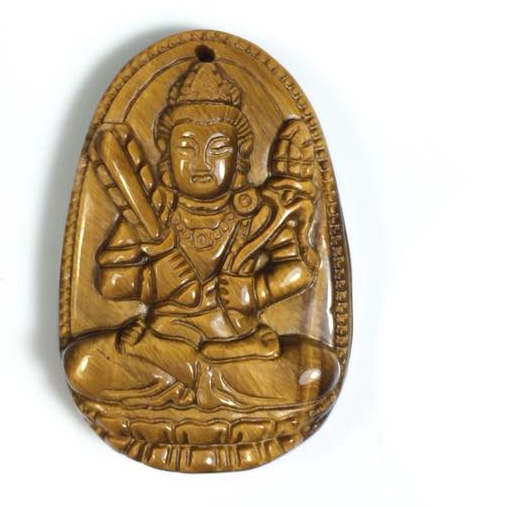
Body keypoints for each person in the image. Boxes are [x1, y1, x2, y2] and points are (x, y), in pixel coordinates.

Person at [63, 56, 339, 410]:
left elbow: (299, 267)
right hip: (164, 335)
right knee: (82, 363)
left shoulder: (259, 211)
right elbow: (109, 281)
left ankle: (186, 374)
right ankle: (190, 372)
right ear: (166, 153)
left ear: (240, 156)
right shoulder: (155, 206)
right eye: (186, 147)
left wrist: (257, 291)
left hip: (237, 344)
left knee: (315, 371)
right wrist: (151, 282)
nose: (202, 163)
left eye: (218, 148)